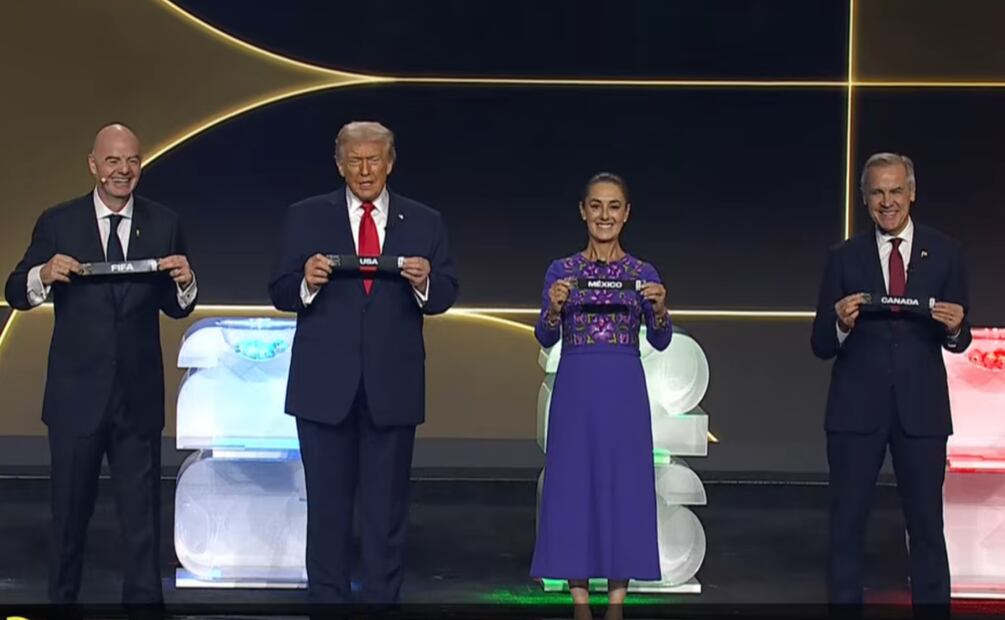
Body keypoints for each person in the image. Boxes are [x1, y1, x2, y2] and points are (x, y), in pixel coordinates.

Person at [3, 123, 197, 608]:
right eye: (112, 161)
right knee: (68, 521)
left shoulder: (164, 222)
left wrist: (187, 281)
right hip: (75, 401)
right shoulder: (58, 222)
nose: (122, 170)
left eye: (131, 161)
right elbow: (14, 292)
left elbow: (177, 307)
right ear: (94, 165)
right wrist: (42, 275)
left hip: (138, 401)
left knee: (143, 528)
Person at [269, 121, 458, 605]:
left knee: (386, 516)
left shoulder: (424, 221)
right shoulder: (306, 216)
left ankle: (382, 604)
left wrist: (423, 282)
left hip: (391, 390)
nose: (365, 169)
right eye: (355, 160)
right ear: (339, 164)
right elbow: (280, 290)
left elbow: (445, 295)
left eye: (374, 159)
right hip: (324, 390)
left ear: (390, 163)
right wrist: (307, 282)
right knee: (327, 514)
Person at [811, 153, 971, 615]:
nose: (888, 202)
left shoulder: (946, 253)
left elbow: (960, 337)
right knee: (845, 528)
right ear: (864, 199)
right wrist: (839, 323)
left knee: (926, 527)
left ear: (912, 193)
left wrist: (958, 328)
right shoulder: (843, 257)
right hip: (854, 414)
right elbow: (821, 343)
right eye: (877, 192)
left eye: (896, 191)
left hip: (921, 414)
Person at [531, 172, 671, 618]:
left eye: (614, 206)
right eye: (596, 205)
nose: (604, 215)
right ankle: (578, 600)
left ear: (626, 214)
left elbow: (663, 340)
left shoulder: (642, 272)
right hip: (576, 388)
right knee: (573, 485)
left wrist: (662, 309)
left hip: (624, 389)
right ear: (583, 211)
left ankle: (616, 602)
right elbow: (545, 334)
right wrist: (553, 307)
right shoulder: (562, 270)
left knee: (622, 486)